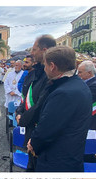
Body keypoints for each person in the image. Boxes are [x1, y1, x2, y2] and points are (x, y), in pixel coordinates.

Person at [27, 46, 92, 172]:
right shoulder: (77, 84)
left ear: (52, 66)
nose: (44, 69)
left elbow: (48, 128)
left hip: (57, 160)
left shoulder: (64, 93)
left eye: (45, 65)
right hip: (70, 155)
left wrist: (34, 143)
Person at [17, 35, 56, 171]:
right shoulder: (36, 71)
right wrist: (19, 111)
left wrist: (23, 119)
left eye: (34, 50)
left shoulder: (50, 75)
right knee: (31, 164)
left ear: (44, 50)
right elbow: (27, 93)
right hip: (31, 126)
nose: (32, 54)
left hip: (39, 128)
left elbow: (40, 104)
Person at [77, 60, 96, 131]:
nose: (78, 74)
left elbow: (84, 100)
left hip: (90, 120)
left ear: (89, 73)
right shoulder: (84, 82)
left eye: (80, 72)